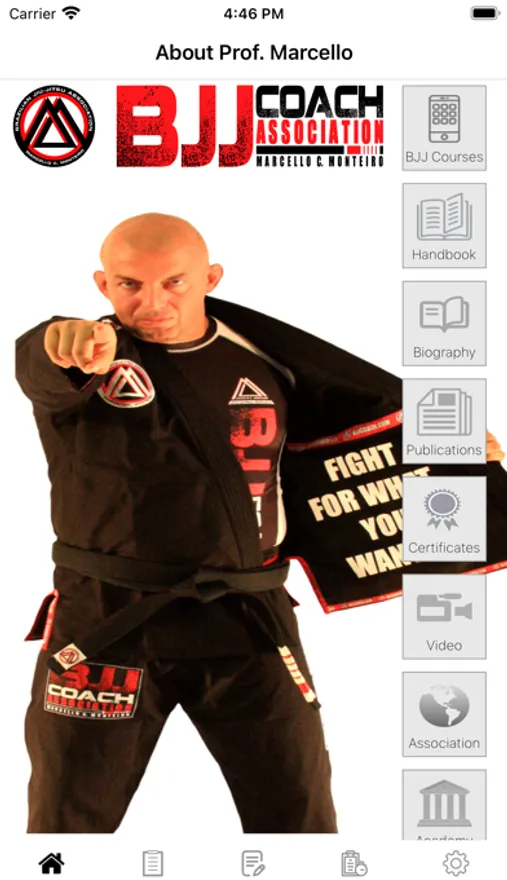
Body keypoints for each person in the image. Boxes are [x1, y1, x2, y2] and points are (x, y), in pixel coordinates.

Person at [17, 213, 506, 835]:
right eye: (129, 284)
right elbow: (43, 363)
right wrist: (62, 342)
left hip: (247, 613)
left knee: (299, 814)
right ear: (102, 284)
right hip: (109, 617)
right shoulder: (87, 360)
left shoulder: (263, 358)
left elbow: (343, 435)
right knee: (68, 821)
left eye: (174, 282)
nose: (152, 302)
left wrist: (443, 449)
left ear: (210, 279)